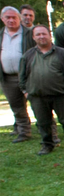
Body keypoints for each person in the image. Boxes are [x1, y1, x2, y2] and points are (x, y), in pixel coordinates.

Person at [19, 25, 64, 155]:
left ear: (49, 35)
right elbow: (22, 76)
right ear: (34, 37)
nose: (41, 37)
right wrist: (25, 91)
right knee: (42, 123)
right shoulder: (28, 56)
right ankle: (47, 144)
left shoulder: (62, 53)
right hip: (37, 96)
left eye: (44, 34)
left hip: (61, 95)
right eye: (38, 34)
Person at [1, 6, 35, 143]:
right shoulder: (0, 35)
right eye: (7, 17)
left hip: (29, 76)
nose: (11, 20)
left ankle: (50, 133)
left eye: (13, 17)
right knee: (17, 107)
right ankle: (24, 132)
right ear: (2, 19)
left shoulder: (29, 34)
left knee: (39, 104)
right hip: (8, 78)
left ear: (19, 18)